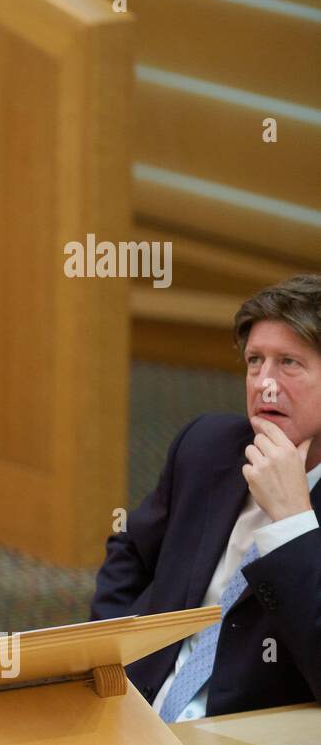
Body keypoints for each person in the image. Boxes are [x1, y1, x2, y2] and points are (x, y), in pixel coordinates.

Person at [91, 274, 321, 720]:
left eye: (289, 363)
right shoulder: (207, 445)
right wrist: (105, 665)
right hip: (136, 708)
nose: (265, 385)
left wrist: (293, 521)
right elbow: (132, 555)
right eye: (255, 361)